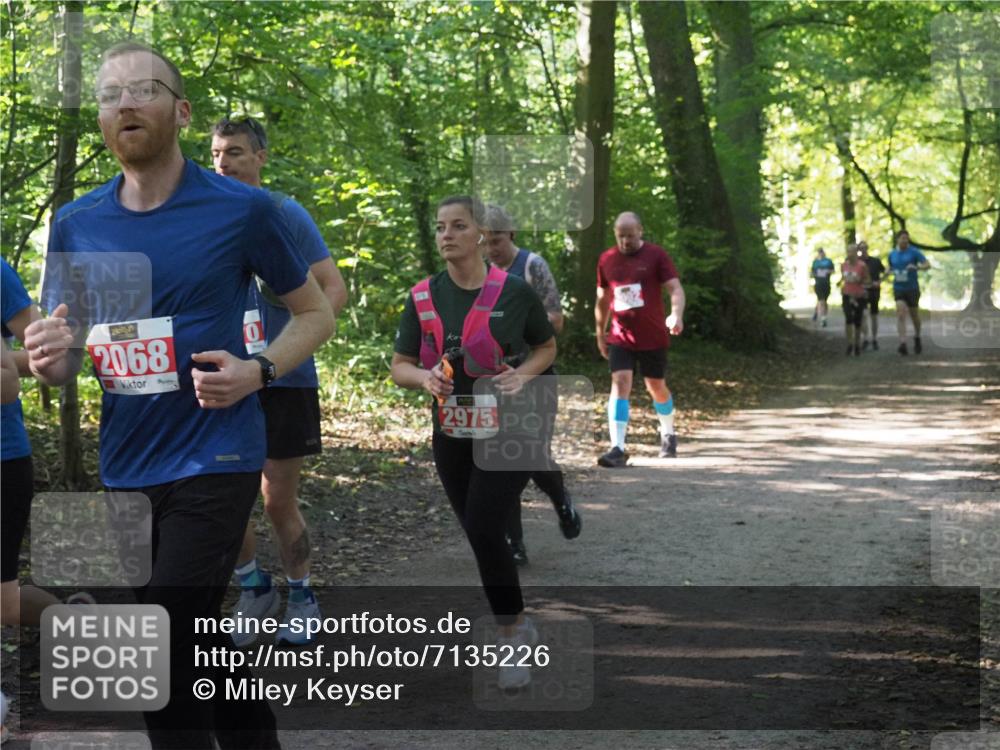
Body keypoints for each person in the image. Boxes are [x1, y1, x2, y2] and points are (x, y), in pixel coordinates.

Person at [27, 41, 334, 748]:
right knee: (191, 643)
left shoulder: (241, 210)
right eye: (110, 95)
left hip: (217, 454)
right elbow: (64, 359)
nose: (125, 103)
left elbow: (316, 313)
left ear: (182, 110)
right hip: (128, 465)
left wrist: (258, 369)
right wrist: (49, 356)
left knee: (158, 642)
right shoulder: (77, 223)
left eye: (144, 89)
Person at [391, 195, 556, 690]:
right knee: (481, 536)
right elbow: (399, 364)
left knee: (485, 526)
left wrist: (522, 375)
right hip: (452, 433)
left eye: (458, 226)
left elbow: (546, 347)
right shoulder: (422, 297)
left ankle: (512, 634)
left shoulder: (514, 292)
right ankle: (518, 623)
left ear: (481, 235)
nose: (446, 235)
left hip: (510, 430)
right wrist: (423, 379)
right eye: (441, 227)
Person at [211, 116, 348, 646]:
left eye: (237, 153)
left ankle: (302, 593)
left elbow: (332, 291)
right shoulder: (202, 219)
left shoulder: (285, 215)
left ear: (261, 157)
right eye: (218, 154)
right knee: (222, 497)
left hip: (283, 381)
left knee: (275, 499)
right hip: (223, 379)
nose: (224, 163)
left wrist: (285, 352)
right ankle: (253, 586)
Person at [481, 204, 581, 567]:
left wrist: (519, 325)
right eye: (485, 241)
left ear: (512, 236)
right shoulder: (480, 272)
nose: (491, 248)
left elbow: (556, 319)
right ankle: (515, 543)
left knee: (533, 455)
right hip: (494, 380)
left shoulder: (532, 266)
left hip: (536, 376)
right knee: (502, 459)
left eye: (497, 240)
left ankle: (560, 498)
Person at [595, 212, 685, 468]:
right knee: (620, 382)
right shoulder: (607, 259)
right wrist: (599, 332)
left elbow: (675, 288)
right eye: (620, 236)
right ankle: (617, 447)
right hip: (620, 336)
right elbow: (601, 299)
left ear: (640, 231)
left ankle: (667, 433)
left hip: (653, 335)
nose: (625, 241)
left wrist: (675, 315)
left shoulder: (656, 255)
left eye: (630, 236)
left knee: (656, 386)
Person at [887, 230, 930, 355]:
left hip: (912, 288)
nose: (905, 240)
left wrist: (917, 267)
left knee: (914, 315)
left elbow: (927, 265)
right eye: (902, 238)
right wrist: (888, 271)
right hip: (898, 288)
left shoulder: (914, 252)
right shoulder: (892, 254)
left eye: (907, 238)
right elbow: (889, 267)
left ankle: (917, 336)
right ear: (897, 239)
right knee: (900, 314)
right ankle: (903, 343)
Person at [840, 243, 871, 356]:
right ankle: (849, 343)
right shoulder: (843, 265)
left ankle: (857, 344)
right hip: (847, 295)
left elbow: (868, 281)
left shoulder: (862, 266)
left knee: (858, 320)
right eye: (848, 251)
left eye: (852, 251)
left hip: (859, 296)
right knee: (848, 318)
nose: (850, 254)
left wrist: (860, 280)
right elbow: (842, 279)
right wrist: (842, 284)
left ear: (856, 253)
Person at [858, 241, 885, 350]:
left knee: (874, 316)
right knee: (863, 314)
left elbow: (885, 271)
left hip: (874, 291)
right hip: (862, 292)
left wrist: (879, 281)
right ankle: (865, 338)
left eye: (865, 247)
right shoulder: (857, 262)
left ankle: (874, 339)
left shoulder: (875, 261)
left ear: (867, 248)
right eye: (861, 248)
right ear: (858, 250)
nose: (863, 250)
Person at [811, 247, 835, 327]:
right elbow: (812, 272)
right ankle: (823, 319)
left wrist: (827, 272)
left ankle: (817, 312)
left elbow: (833, 270)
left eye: (822, 252)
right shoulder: (815, 262)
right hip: (818, 284)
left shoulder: (828, 261)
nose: (821, 253)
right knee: (821, 301)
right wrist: (816, 274)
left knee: (824, 301)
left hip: (826, 284)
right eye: (819, 252)